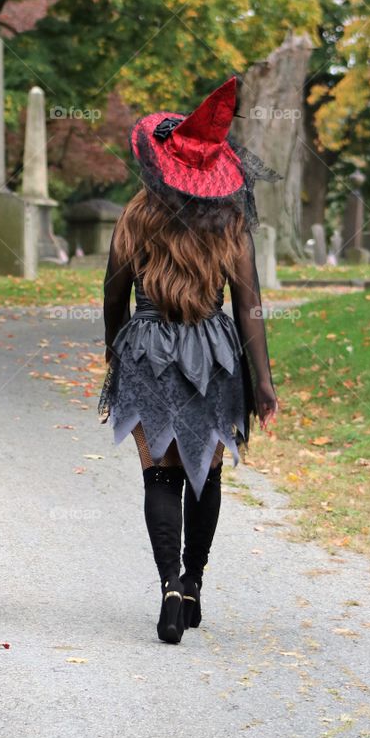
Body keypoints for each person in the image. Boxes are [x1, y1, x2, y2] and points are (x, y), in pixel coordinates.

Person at [101, 76, 279, 644]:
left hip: (147, 349)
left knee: (160, 471)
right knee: (205, 471)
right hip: (214, 353)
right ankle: (196, 581)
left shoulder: (136, 214)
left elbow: (113, 293)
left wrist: (114, 353)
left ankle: (169, 586)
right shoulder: (230, 220)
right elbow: (249, 305)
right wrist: (263, 381)